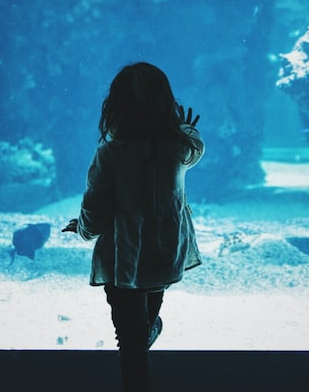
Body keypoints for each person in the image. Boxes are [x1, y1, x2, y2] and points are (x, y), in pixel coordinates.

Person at [62, 62, 205, 392]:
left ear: (116, 106)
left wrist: (82, 229)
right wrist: (184, 129)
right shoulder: (178, 148)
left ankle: (143, 342)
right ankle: (148, 331)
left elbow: (95, 210)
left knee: (130, 341)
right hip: (164, 254)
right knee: (140, 330)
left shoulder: (110, 154)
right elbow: (197, 147)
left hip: (123, 259)